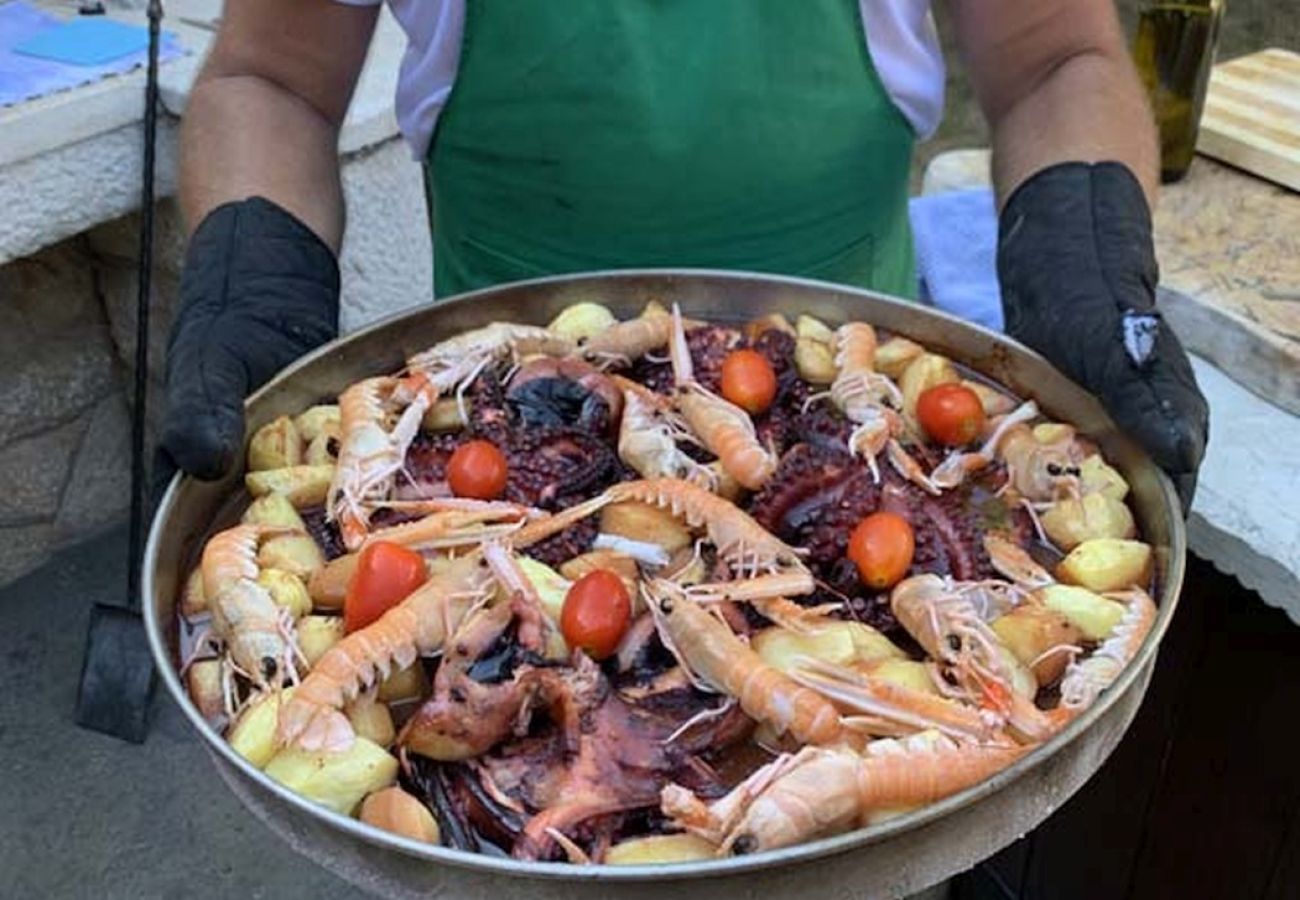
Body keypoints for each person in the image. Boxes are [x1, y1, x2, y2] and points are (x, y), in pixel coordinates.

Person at [163, 0, 1208, 506]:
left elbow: (1056, 62)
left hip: (855, 446)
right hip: (498, 462)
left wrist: (1081, 255)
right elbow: (271, 84)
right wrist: (253, 283)